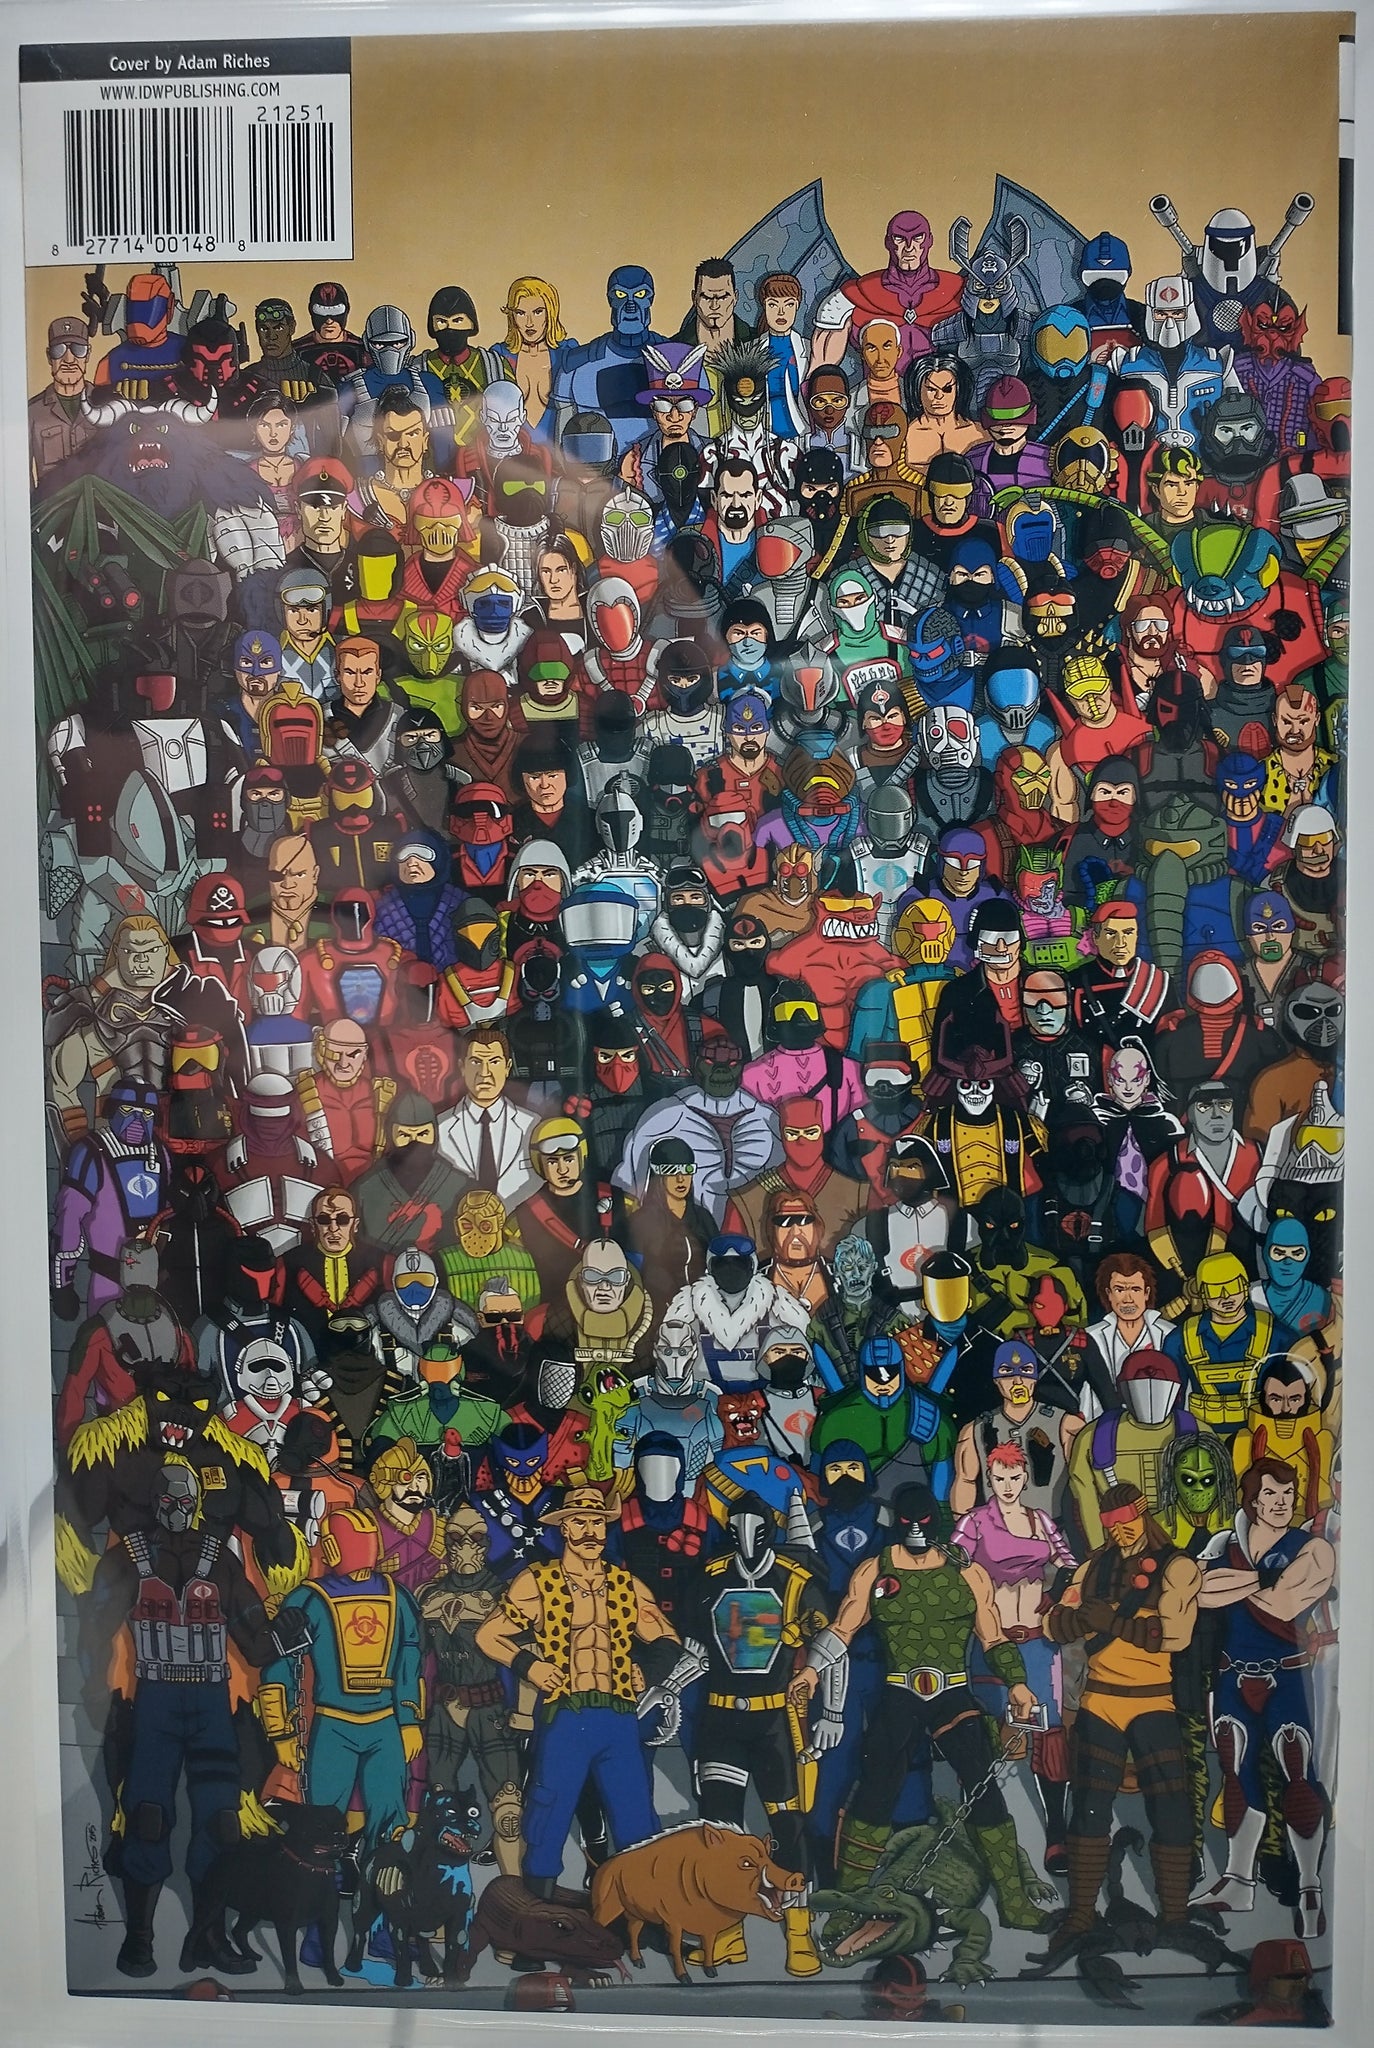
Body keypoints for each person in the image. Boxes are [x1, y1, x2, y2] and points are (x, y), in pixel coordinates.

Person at [474, 1485, 681, 1896]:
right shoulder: (538, 1581)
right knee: (548, 1813)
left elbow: (668, 1637)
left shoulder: (626, 1584)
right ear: (564, 1528)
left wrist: (648, 1670)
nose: (590, 1531)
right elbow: (488, 1635)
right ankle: (536, 1907)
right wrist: (530, 1666)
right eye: (580, 1522)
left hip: (619, 1717)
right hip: (566, 1716)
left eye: (597, 1523)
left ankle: (644, 1911)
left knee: (636, 1815)